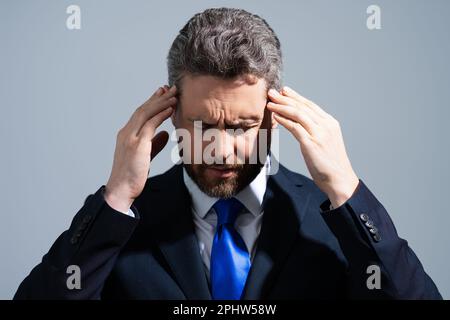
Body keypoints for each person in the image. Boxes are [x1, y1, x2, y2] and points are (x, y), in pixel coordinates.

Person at [14, 7, 441, 300]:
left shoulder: (333, 217)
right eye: (203, 125)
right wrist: (116, 198)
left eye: (241, 127)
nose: (222, 149)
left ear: (275, 115)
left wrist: (347, 190)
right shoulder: (121, 222)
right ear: (170, 112)